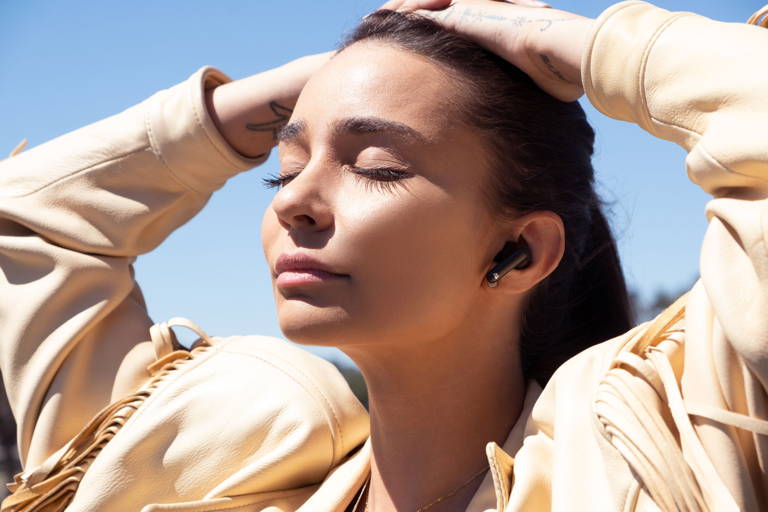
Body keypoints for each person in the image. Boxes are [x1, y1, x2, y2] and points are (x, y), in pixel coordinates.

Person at [0, 1, 766, 511]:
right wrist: (340, 73)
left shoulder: (660, 445)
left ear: (520, 250)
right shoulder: (200, 470)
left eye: (375, 165)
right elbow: (30, 219)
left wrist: (563, 42)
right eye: (285, 164)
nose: (292, 202)